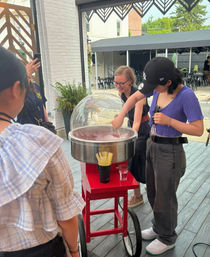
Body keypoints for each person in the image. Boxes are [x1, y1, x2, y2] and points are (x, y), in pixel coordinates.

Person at [112, 57, 204, 255]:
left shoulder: (186, 96)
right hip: (152, 146)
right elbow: (135, 98)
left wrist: (170, 121)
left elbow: (198, 129)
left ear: (168, 82)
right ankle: (157, 227)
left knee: (165, 197)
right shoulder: (156, 87)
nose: (151, 89)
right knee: (153, 192)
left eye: (155, 86)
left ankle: (168, 236)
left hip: (170, 152)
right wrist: (121, 115)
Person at [0, 47, 85, 256]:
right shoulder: (39, 143)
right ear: (16, 89)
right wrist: (74, 251)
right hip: (41, 250)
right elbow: (66, 215)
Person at [114, 66, 150, 207]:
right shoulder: (122, 93)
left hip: (143, 130)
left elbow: (136, 122)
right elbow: (126, 114)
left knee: (134, 162)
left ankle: (138, 196)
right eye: (116, 83)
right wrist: (118, 119)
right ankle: (143, 188)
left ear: (130, 81)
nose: (118, 86)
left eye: (121, 83)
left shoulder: (139, 96)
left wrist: (126, 137)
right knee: (134, 161)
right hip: (133, 128)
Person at [17, 58, 50, 125]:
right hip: (26, 131)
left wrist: (48, 123)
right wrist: (27, 76)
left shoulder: (35, 86)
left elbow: (42, 106)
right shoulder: (17, 91)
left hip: (41, 129)